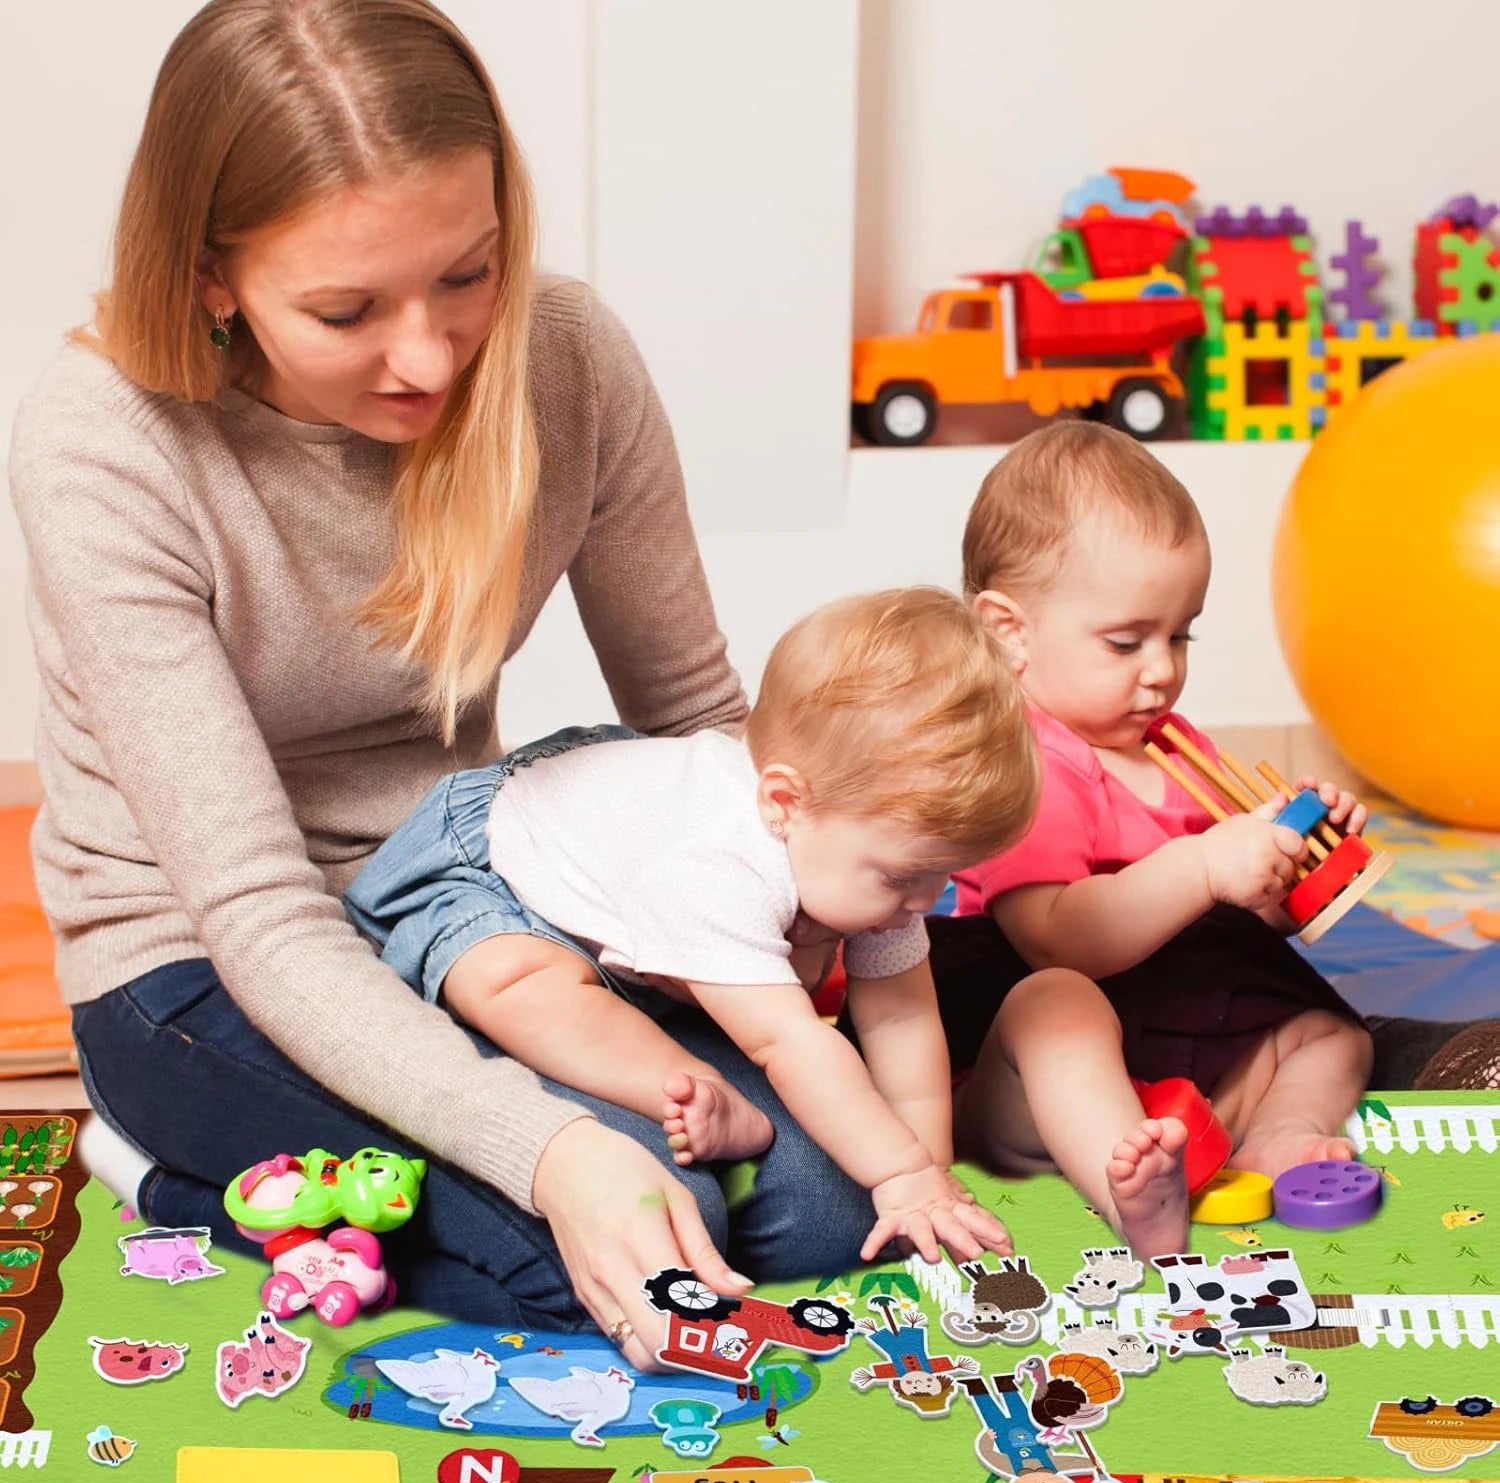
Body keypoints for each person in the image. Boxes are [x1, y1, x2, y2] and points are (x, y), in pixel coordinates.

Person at [8, 0, 876, 1369]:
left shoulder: (567, 360)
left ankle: (324, 1188)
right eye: (346, 310)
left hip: (463, 901)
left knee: (824, 1201)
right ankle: (180, 1178)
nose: (427, 358)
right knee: (624, 1227)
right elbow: (254, 910)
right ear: (208, 276)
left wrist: (808, 911)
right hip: (196, 963)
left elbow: (695, 713)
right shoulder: (104, 443)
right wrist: (545, 1151)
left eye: (466, 276)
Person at [346, 587, 1035, 1265]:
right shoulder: (721, 865)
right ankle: (690, 1086)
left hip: (629, 919)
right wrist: (895, 1168)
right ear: (785, 803)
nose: (927, 899)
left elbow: (903, 1024)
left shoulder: (877, 864)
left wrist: (926, 1173)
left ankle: (705, 1084)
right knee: (513, 982)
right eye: (904, 877)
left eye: (944, 874)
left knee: (841, 1188)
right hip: (496, 875)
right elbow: (788, 1042)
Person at [937, 422, 1374, 1258]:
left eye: (1181, 635)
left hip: (1182, 1037)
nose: (1162, 669)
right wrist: (1203, 865)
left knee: (1333, 1034)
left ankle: (1277, 1133)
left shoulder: (1175, 745)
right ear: (1008, 632)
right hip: (1030, 1076)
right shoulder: (1023, 762)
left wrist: (1293, 866)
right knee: (1052, 1006)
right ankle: (1125, 1184)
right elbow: (1056, 939)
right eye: (1125, 640)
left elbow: (1251, 920)